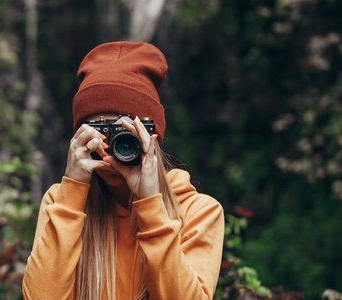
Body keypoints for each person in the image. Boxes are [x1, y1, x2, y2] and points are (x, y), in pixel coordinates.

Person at [22, 41, 225, 300]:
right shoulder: (60, 201)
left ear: (152, 137)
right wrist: (72, 191)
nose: (110, 149)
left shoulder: (200, 211)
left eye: (123, 135)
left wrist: (151, 207)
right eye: (100, 134)